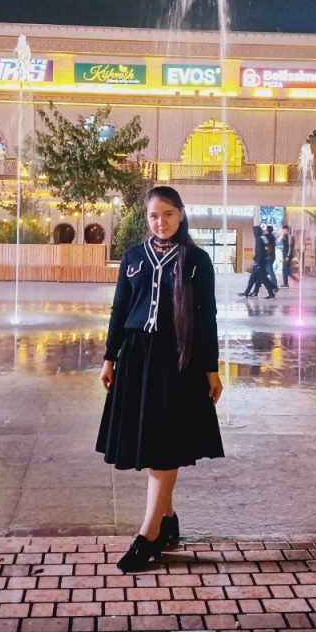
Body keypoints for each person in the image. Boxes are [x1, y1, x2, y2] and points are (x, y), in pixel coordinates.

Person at [96, 186, 224, 573]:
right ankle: (167, 520)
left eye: (168, 214)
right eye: (154, 215)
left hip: (178, 359)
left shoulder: (198, 260)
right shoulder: (134, 258)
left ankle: (149, 535)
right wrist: (109, 356)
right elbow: (120, 308)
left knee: (165, 444)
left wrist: (211, 367)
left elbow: (207, 318)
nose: (161, 221)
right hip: (137, 356)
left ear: (181, 215)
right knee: (152, 439)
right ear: (146, 218)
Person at [263, 225, 279, 293]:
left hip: (268, 255)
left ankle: (274, 286)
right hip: (272, 255)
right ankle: (269, 285)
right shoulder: (273, 237)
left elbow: (265, 245)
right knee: (266, 271)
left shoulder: (266, 236)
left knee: (269, 271)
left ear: (267, 229)